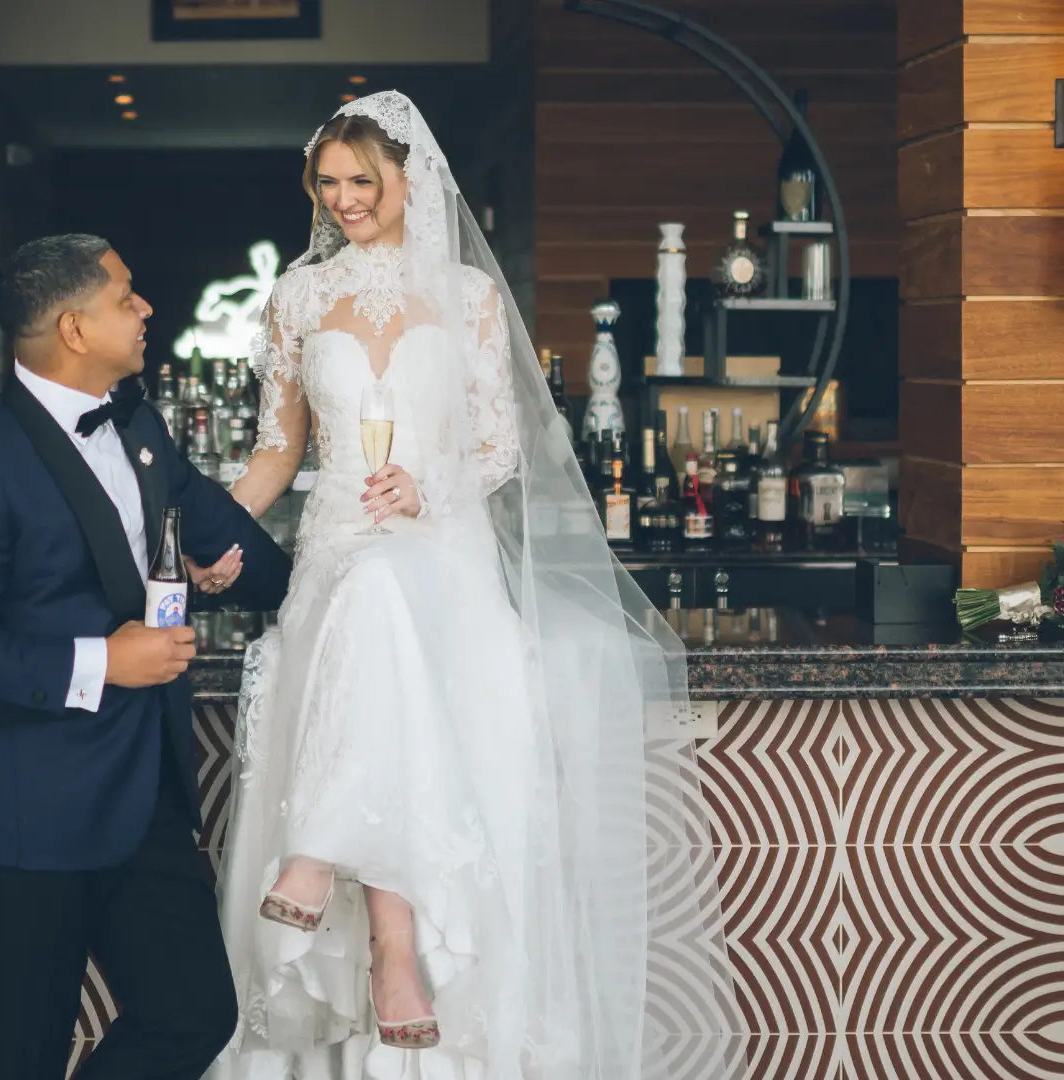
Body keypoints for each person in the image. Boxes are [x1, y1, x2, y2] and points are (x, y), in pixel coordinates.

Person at [211, 92, 741, 1078]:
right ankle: (391, 947)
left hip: (440, 546)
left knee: (385, 606)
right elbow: (279, 449)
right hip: (338, 550)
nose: (345, 199)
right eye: (328, 183)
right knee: (364, 598)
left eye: (362, 180)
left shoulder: (469, 298)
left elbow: (500, 446)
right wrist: (213, 528)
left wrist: (426, 482)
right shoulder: (296, 297)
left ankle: (332, 873)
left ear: (409, 177)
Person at [0, 234, 292, 1080]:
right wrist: (101, 663)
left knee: (193, 1015)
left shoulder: (142, 427)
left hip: (143, 795)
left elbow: (249, 557)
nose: (146, 308)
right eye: (126, 297)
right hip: (22, 804)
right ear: (75, 329)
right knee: (27, 1051)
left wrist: (350, 559)